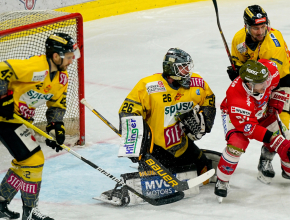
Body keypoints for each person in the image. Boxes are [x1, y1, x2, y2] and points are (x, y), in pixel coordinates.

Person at [97, 48, 217, 206]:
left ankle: (200, 155)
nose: (187, 71)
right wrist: (134, 146)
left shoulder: (196, 82)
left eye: (188, 66)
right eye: (183, 67)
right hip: (156, 149)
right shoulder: (149, 86)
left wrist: (206, 120)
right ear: (171, 69)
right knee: (157, 182)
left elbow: (209, 98)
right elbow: (128, 113)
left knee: (205, 171)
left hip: (182, 144)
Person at [0, 33, 80, 220]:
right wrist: (3, 98)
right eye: (68, 56)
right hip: (4, 120)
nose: (71, 61)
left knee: (27, 161)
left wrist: (56, 127)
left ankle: (2, 201)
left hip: (18, 121)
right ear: (55, 56)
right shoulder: (36, 67)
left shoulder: (61, 78)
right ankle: (30, 212)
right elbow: (1, 70)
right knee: (34, 159)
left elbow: (57, 105)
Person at [214, 59, 290, 202]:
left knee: (289, 147)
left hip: (262, 111)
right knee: (237, 145)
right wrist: (275, 140)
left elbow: (276, 84)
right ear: (249, 84)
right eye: (262, 83)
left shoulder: (268, 72)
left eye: (266, 81)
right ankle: (222, 180)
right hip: (236, 117)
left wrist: (274, 99)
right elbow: (250, 129)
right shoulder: (237, 98)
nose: (267, 85)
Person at [226, 5, 290, 184]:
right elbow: (241, 63)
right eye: (255, 28)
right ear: (246, 26)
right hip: (258, 82)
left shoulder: (273, 43)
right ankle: (264, 155)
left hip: (283, 79)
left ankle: (266, 159)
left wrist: (244, 76)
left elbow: (268, 75)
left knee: (280, 123)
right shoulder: (239, 40)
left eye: (263, 26)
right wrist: (238, 72)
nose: (260, 31)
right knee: (259, 119)